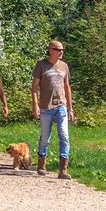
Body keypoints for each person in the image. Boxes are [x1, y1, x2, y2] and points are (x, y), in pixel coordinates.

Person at [31, 39, 76, 179]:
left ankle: (63, 169)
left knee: (64, 135)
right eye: (58, 49)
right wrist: (35, 105)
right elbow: (34, 88)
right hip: (46, 107)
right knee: (45, 137)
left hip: (61, 106)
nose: (61, 52)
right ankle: (41, 163)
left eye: (62, 49)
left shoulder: (64, 66)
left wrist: (70, 108)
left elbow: (67, 87)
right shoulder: (41, 65)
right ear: (50, 50)